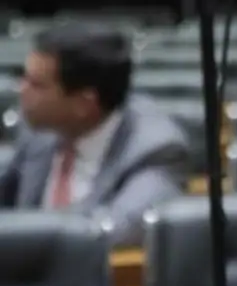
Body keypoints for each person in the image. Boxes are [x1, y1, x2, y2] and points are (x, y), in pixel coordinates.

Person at [0, 23, 189, 247]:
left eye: (36, 85)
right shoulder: (40, 128)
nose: (21, 90)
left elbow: (117, 233)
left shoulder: (156, 149)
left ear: (83, 103)